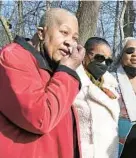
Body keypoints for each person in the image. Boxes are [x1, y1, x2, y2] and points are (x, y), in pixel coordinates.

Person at [0, 8, 84, 158]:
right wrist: (68, 71)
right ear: (41, 33)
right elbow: (40, 118)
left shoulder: (54, 70)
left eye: (75, 38)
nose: (70, 43)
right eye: (64, 32)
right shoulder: (13, 57)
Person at [73, 37, 120, 158]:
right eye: (99, 58)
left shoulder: (111, 85)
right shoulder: (73, 80)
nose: (104, 64)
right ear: (85, 55)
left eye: (108, 61)